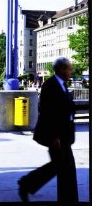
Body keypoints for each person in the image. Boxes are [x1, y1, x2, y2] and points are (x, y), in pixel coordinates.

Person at [18, 57, 78, 204]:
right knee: (64, 168)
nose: (71, 71)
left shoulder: (63, 85)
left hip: (65, 134)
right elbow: (47, 112)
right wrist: (54, 136)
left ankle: (27, 184)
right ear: (61, 69)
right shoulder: (50, 85)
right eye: (69, 68)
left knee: (61, 167)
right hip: (56, 136)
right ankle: (26, 183)